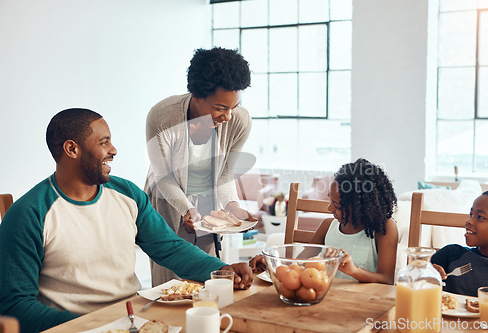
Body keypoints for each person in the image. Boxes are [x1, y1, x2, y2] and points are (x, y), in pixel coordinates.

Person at [0, 109, 253, 333]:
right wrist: (92, 326)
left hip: (134, 319)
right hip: (77, 327)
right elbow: (15, 306)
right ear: (72, 149)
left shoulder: (128, 194)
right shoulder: (28, 214)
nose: (113, 150)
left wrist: (222, 270)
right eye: (104, 142)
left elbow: (170, 248)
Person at [144, 47, 256, 287]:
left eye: (233, 107)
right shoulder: (162, 118)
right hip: (168, 200)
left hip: (208, 201)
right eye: (219, 108)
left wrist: (232, 205)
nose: (227, 116)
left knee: (212, 278)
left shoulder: (239, 121)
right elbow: (164, 179)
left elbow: (224, 173)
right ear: (196, 95)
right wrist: (186, 208)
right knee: (170, 283)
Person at [251, 158, 399, 284]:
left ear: (360, 207)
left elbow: (387, 280)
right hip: (324, 297)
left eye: (337, 205)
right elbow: (299, 264)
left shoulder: (384, 229)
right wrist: (270, 264)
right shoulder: (327, 227)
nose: (329, 208)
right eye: (330, 200)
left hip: (363, 303)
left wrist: (354, 271)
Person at [431, 189, 488, 297]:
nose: (469, 221)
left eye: (480, 217)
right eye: (471, 214)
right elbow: (412, 287)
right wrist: (425, 275)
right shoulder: (450, 255)